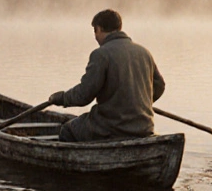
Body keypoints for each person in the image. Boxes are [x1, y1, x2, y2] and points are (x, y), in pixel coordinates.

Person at [48, 9, 165, 142]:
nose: (95, 37)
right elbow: (160, 86)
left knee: (67, 130)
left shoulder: (101, 54)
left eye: (95, 31)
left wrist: (62, 98)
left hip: (112, 128)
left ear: (100, 28)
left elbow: (84, 95)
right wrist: (137, 105)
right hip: (144, 127)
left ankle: (82, 161)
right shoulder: (144, 53)